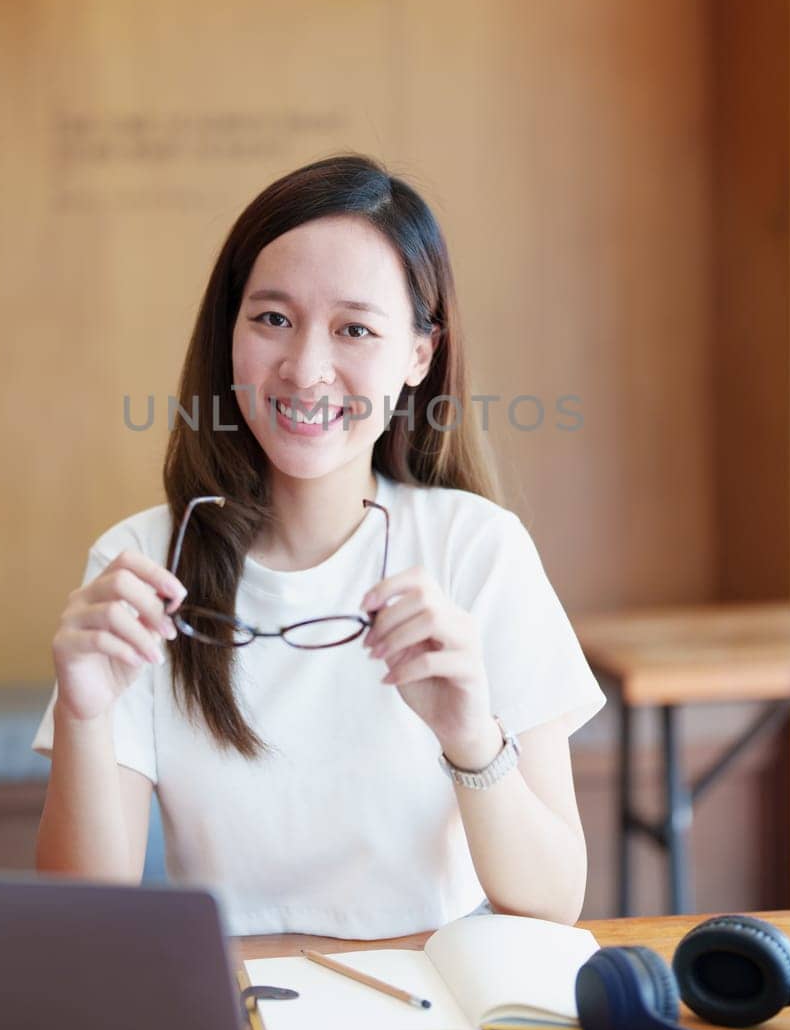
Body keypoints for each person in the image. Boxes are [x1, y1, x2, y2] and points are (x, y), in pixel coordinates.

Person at [32, 153, 605, 938]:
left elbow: (553, 902)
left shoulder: (477, 550)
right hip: (239, 1012)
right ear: (228, 332)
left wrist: (471, 738)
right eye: (271, 319)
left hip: (437, 1012)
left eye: (354, 329)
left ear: (417, 355)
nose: (304, 369)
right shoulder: (140, 567)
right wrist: (86, 714)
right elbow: (83, 919)